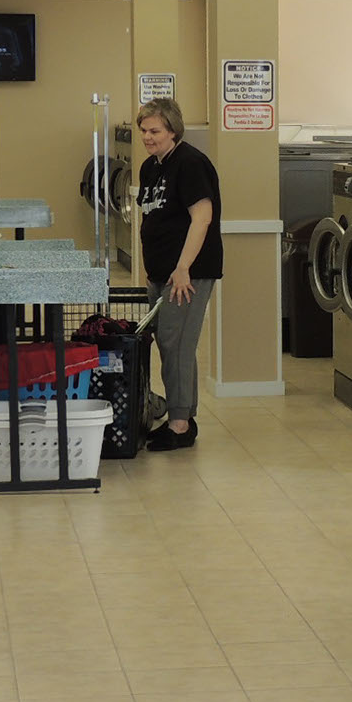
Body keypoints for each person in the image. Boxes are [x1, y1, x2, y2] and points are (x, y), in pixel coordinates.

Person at [134, 98, 221, 451]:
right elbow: (151, 218)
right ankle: (181, 416)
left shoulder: (191, 164)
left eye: (154, 131)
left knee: (177, 344)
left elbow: (202, 218)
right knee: (171, 343)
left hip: (189, 272)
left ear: (173, 130)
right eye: (143, 131)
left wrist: (183, 267)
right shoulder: (150, 167)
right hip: (163, 272)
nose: (147, 137)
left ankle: (181, 425)